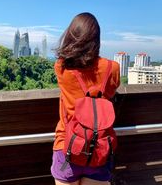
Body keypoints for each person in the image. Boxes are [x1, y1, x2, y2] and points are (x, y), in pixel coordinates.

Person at [51, 12, 120, 185]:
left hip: (67, 145)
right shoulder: (113, 68)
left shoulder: (61, 67)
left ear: (71, 36)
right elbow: (111, 91)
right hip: (99, 149)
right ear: (96, 39)